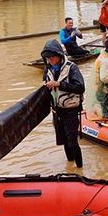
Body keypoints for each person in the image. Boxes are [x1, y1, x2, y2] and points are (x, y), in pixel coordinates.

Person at [41, 39, 85, 168]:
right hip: (57, 110)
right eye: (47, 58)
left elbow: (80, 87)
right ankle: (70, 167)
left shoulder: (72, 68)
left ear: (59, 55)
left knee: (72, 142)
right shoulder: (48, 69)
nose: (50, 60)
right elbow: (45, 86)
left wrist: (59, 84)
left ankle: (80, 169)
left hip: (71, 109)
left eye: (52, 57)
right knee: (64, 141)